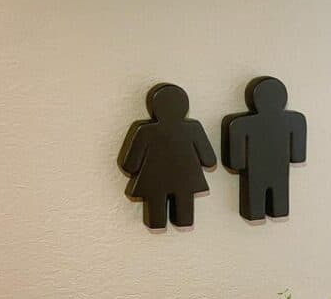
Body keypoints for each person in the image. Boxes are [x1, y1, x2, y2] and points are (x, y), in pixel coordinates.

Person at [119, 84, 216, 228]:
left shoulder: (145, 131)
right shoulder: (193, 128)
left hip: (154, 182)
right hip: (186, 181)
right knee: (184, 214)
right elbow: (209, 160)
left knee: (156, 215)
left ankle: (161, 221)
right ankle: (180, 219)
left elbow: (130, 165)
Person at [223, 77, 307, 220]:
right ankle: (277, 210)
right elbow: (298, 156)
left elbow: (236, 162)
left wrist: (241, 165)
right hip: (279, 167)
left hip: (256, 168)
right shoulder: (296, 120)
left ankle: (259, 211)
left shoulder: (241, 124)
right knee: (279, 194)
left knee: (256, 197)